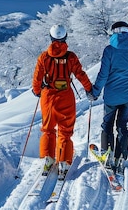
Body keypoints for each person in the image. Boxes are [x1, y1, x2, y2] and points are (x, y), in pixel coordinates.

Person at [88, 21, 128, 175]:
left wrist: (95, 92)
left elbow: (103, 74)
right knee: (122, 125)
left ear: (113, 33)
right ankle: (120, 157)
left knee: (107, 124)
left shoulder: (109, 50)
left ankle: (107, 156)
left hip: (111, 96)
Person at [32, 24, 93, 176]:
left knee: (48, 129)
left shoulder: (44, 57)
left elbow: (37, 78)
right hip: (66, 96)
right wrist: (89, 89)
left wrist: (37, 90)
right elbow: (80, 74)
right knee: (65, 130)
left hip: (48, 97)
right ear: (65, 37)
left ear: (51, 38)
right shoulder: (71, 56)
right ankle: (64, 161)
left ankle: (47, 158)